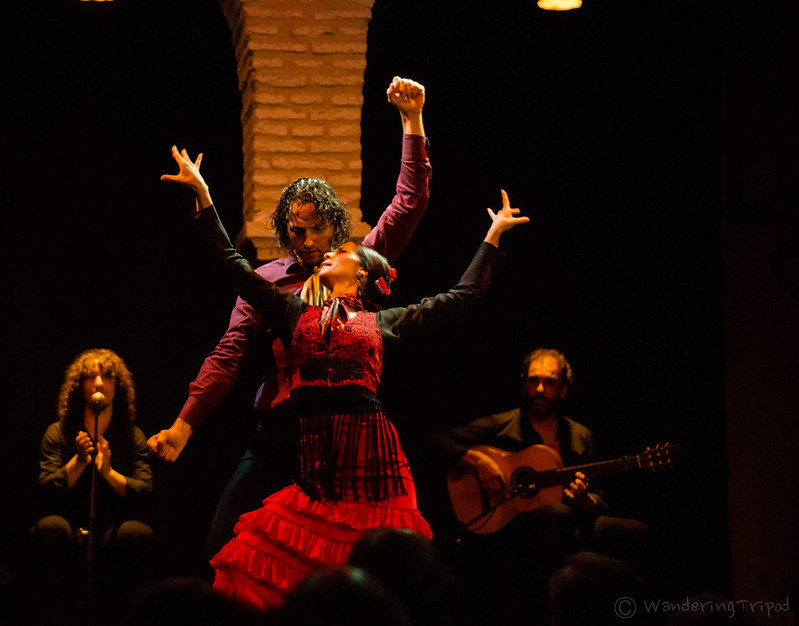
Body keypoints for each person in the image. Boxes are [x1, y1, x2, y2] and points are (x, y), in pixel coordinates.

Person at [160, 141, 528, 610]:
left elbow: (460, 293)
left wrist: (492, 236)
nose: (320, 248)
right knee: (246, 549)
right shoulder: (292, 308)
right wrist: (204, 198)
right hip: (300, 440)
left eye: (336, 245)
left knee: (379, 566)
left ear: (360, 273)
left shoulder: (383, 320)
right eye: (300, 232)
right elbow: (232, 268)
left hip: (368, 457)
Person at [148, 76, 431, 562]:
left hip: (346, 437)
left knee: (345, 560)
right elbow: (230, 354)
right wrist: (182, 426)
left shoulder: (358, 263)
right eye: (296, 231)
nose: (306, 241)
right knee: (226, 549)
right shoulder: (270, 281)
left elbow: (408, 204)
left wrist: (411, 121)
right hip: (282, 433)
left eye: (317, 229)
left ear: (335, 227)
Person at [435, 348, 649, 625]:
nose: (539, 388)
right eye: (533, 380)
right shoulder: (502, 425)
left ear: (562, 390)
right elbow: (437, 440)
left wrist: (586, 499)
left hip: (569, 521)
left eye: (549, 382)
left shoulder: (580, 436)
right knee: (556, 513)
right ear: (524, 386)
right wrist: (476, 460)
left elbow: (597, 497)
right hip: (511, 524)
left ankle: (627, 616)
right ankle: (545, 616)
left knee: (635, 533)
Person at [30, 349, 154, 626]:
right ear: (80, 385)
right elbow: (45, 489)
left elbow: (144, 493)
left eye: (106, 376)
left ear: (117, 385)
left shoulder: (132, 435)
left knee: (140, 533)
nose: (98, 383)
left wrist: (108, 472)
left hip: (111, 528)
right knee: (50, 527)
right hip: (70, 527)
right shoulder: (58, 432)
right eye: (90, 376)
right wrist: (79, 461)